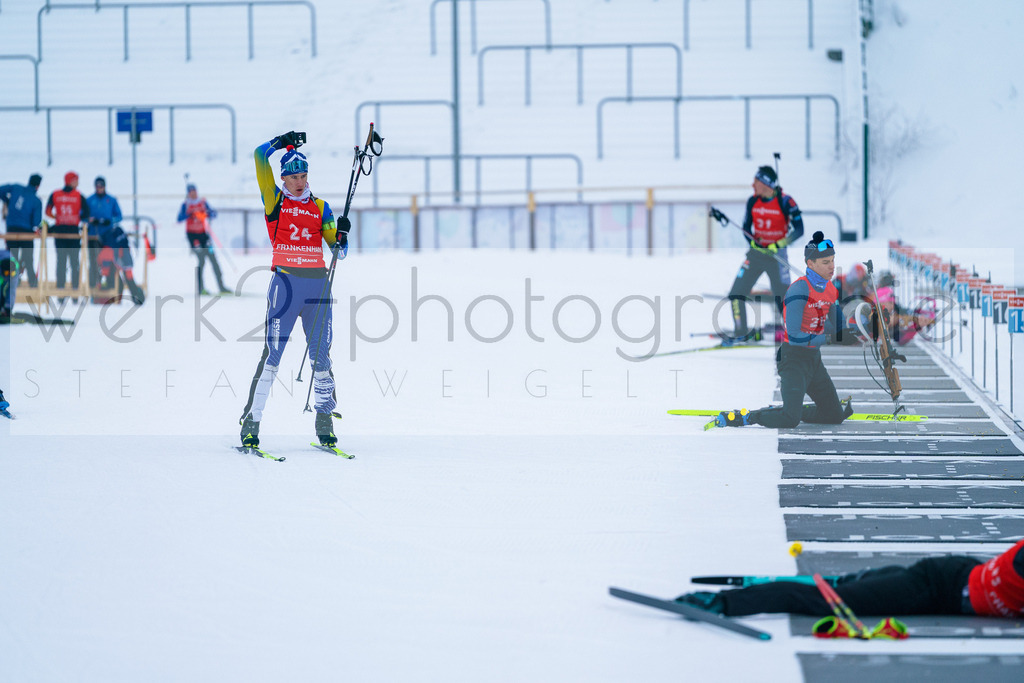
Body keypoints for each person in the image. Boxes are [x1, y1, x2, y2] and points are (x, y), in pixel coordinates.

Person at [238, 132, 351, 449]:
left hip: (317, 287)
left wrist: (341, 237)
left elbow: (338, 253)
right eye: (292, 176)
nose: (299, 182)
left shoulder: (321, 207)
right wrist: (279, 142)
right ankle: (252, 422)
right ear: (283, 178)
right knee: (273, 355)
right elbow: (260, 156)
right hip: (286, 284)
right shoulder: (275, 200)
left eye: (303, 176)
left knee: (321, 357)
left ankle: (324, 420)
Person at [675, 539, 1024, 624]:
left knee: (872, 586)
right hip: (936, 587)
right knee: (830, 604)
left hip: (958, 579)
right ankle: (722, 603)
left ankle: (864, 580)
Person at [716, 231, 860, 429]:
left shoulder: (831, 290)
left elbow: (839, 326)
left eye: (833, 260)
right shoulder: (798, 290)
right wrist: (830, 338)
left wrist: (864, 324)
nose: (832, 266)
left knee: (834, 416)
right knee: (789, 420)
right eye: (826, 262)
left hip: (813, 361)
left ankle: (794, 408)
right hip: (793, 359)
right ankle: (748, 416)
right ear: (810, 264)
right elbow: (795, 336)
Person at [727, 165, 804, 341]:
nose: (752, 185)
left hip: (776, 257)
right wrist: (753, 242)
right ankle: (741, 333)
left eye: (755, 182)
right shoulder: (752, 201)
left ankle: (792, 336)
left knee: (782, 298)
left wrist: (779, 244)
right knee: (736, 294)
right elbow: (746, 228)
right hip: (756, 255)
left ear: (765, 183)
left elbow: (799, 230)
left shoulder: (786, 202)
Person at [177, 183, 230, 295]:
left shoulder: (202, 202)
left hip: (204, 235)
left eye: (194, 191)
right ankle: (201, 289)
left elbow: (213, 213)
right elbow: (179, 218)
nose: (193, 194)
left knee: (213, 260)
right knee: (201, 260)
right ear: (188, 194)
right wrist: (190, 215)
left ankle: (221, 286)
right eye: (191, 192)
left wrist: (206, 213)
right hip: (193, 237)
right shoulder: (185, 205)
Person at [45, 171, 90, 296]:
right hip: (73, 232)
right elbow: (86, 214)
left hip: (60, 231)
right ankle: (75, 291)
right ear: (71, 181)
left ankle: (60, 291)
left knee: (61, 262)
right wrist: (75, 217)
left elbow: (47, 211)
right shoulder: (79, 195)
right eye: (76, 180)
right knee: (74, 262)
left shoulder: (55, 194)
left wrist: (58, 217)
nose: (78, 183)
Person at [0, 174, 44, 288]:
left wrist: (8, 201)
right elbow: (36, 222)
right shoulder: (36, 201)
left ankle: (12, 282)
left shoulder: (16, 188)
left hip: (11, 230)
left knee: (12, 257)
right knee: (28, 258)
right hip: (26, 232)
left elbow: (1, 190)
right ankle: (33, 283)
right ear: (38, 186)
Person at [85, 176, 123, 290]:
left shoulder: (111, 200)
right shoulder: (90, 200)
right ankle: (93, 284)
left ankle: (110, 283)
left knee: (108, 260)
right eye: (97, 186)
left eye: (101, 186)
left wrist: (109, 221)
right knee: (93, 260)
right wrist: (90, 220)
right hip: (93, 235)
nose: (99, 188)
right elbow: (83, 216)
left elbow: (119, 216)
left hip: (108, 235)